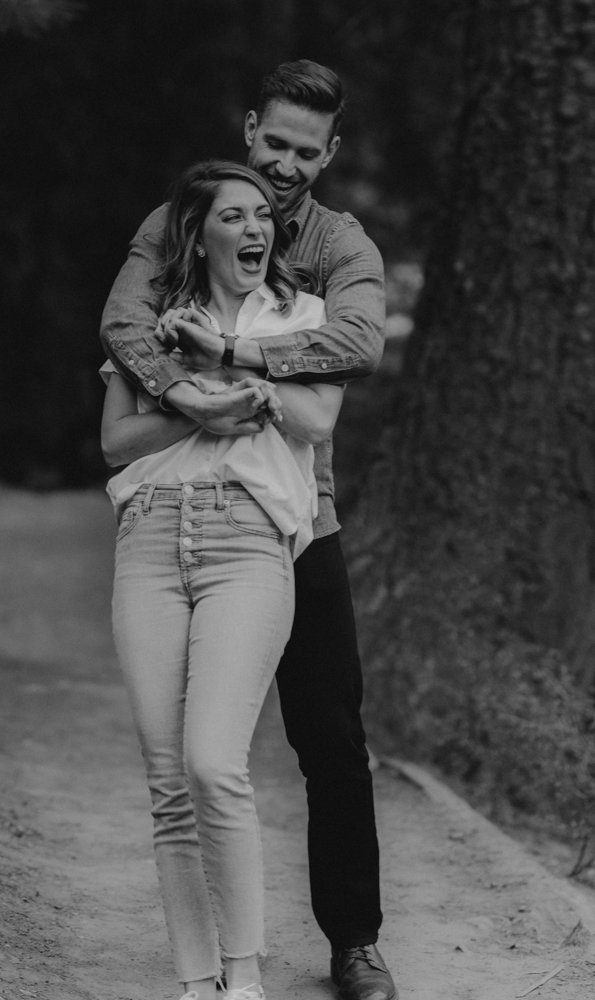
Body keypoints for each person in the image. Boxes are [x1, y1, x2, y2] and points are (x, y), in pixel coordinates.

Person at [101, 61, 398, 1000]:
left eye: (307, 153)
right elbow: (123, 320)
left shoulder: (341, 247)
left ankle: (354, 943)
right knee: (187, 760)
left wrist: (235, 352)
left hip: (301, 513)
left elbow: (356, 344)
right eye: (274, 144)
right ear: (249, 129)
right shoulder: (180, 217)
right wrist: (191, 396)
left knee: (330, 736)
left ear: (331, 154)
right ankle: (215, 971)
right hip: (191, 507)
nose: (285, 167)